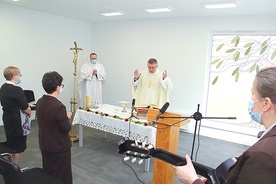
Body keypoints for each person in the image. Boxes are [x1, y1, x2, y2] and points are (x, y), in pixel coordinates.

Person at [174, 66, 276, 184]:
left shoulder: (263, 155)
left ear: (266, 104)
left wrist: (192, 180)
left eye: (253, 93)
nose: (250, 98)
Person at [36, 71, 72, 184]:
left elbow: (48, 119)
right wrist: (66, 118)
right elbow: (66, 128)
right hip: (58, 146)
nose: (61, 87)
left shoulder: (40, 101)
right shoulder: (59, 106)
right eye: (61, 85)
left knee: (48, 172)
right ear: (57, 87)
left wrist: (62, 117)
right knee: (62, 174)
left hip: (45, 143)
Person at [0, 66, 31, 164]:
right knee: (17, 145)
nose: (20, 77)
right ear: (14, 76)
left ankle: (10, 163)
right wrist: (29, 113)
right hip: (17, 120)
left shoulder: (3, 87)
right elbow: (26, 108)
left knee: (11, 141)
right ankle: (14, 169)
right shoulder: (17, 90)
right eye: (19, 75)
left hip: (7, 118)